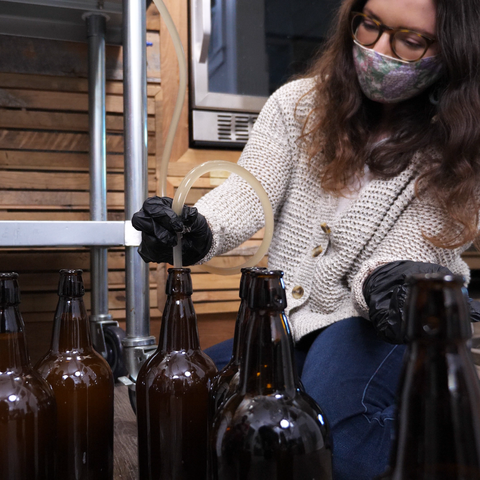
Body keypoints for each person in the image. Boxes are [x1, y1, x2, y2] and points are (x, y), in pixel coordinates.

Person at [132, 0, 480, 478]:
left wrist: (392, 286)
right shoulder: (298, 104)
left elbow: (416, 246)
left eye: (409, 40)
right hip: (289, 316)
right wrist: (197, 229)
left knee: (333, 435)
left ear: (453, 51)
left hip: (376, 317)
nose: (378, 50)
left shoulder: (460, 138)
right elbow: (249, 191)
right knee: (191, 399)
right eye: (371, 26)